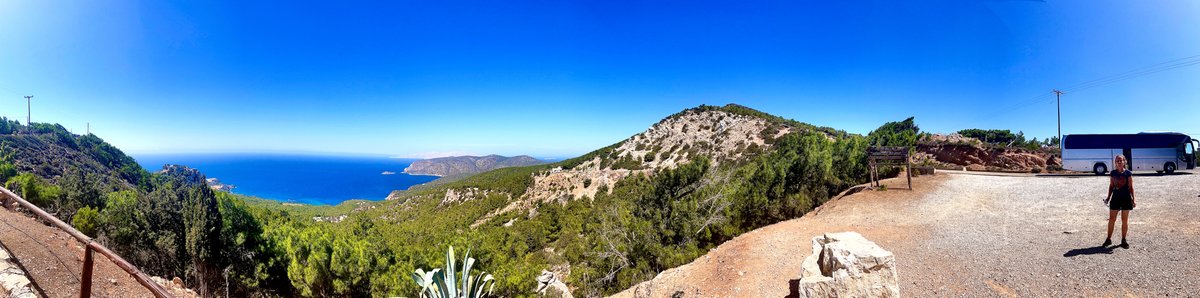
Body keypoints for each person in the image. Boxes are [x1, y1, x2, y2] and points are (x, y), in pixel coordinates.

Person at [1103, 154, 1136, 248]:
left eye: (1121, 160)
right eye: (1117, 160)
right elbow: (1111, 186)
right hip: (1115, 198)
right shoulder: (1113, 173)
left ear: (1124, 161)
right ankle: (1108, 239)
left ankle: (1123, 240)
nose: (1119, 162)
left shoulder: (1128, 173)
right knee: (1112, 219)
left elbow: (1131, 187)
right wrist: (1108, 198)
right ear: (1115, 162)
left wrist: (1134, 199)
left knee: (1124, 220)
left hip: (1126, 198)